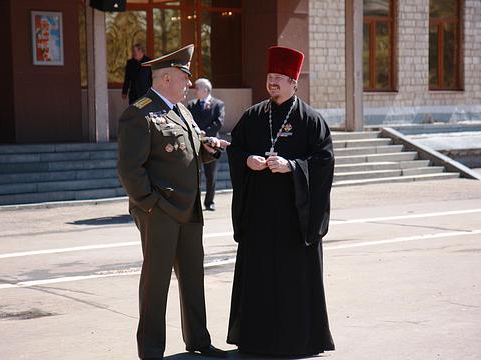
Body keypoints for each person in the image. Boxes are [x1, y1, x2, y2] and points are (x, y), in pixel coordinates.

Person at [117, 44, 229, 360]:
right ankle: (151, 350)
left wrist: (208, 149)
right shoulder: (138, 113)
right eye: (184, 77)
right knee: (156, 282)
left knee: (193, 277)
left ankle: (198, 340)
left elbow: (188, 153)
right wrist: (149, 203)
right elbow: (129, 169)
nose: (188, 85)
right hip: (160, 211)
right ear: (167, 78)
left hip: (189, 207)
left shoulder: (181, 110)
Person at [226, 46, 336, 357]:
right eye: (269, 77)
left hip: (294, 217)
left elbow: (324, 161)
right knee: (259, 277)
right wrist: (248, 160)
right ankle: (255, 340)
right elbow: (236, 149)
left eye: (279, 78)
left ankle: (298, 340)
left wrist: (292, 166)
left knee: (293, 280)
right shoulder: (253, 116)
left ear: (293, 82)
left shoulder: (311, 120)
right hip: (260, 214)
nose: (272, 83)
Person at [187, 78, 225, 211]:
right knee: (195, 175)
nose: (194, 90)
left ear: (205, 90)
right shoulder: (191, 105)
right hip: (195, 143)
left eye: (197, 88)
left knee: (211, 175)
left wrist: (205, 133)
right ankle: (194, 202)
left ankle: (209, 202)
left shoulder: (218, 104)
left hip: (211, 144)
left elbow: (219, 122)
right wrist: (198, 133)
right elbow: (189, 121)